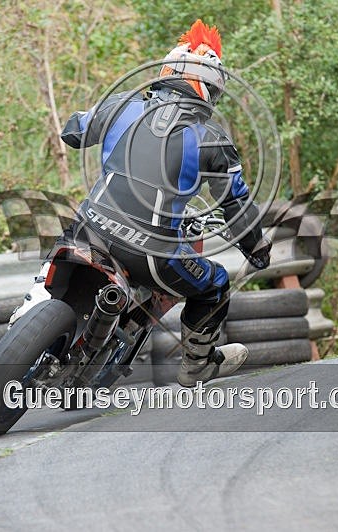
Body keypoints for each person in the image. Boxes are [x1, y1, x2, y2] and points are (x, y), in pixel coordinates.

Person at [59, 19, 271, 387]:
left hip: (89, 226)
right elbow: (235, 206)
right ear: (209, 89)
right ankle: (198, 366)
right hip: (152, 253)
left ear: (165, 71)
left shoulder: (122, 106)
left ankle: (25, 313)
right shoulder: (211, 140)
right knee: (215, 285)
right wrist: (257, 249)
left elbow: (73, 131)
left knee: (56, 256)